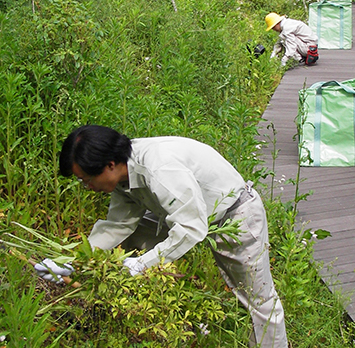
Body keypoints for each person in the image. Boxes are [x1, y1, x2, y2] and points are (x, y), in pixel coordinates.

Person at [35, 125, 288, 348]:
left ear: (109, 165)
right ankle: (112, 311)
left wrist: (142, 264)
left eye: (86, 180)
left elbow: (191, 228)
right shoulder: (124, 174)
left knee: (260, 301)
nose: (87, 187)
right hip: (187, 214)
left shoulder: (159, 167)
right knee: (127, 242)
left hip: (235, 216)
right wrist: (73, 261)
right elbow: (117, 225)